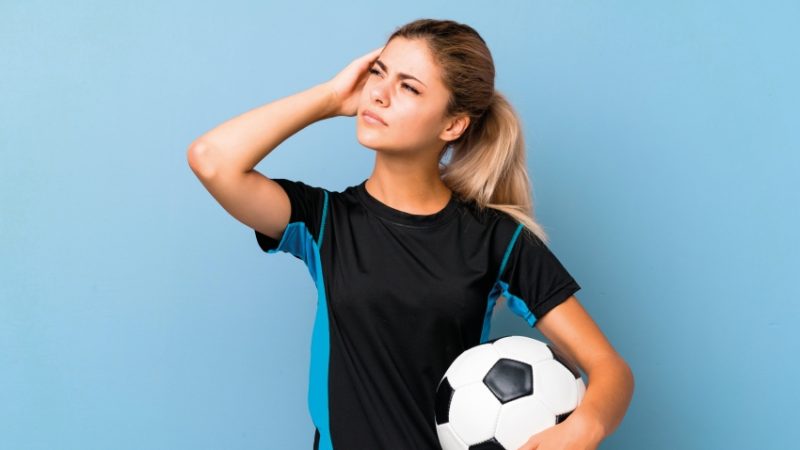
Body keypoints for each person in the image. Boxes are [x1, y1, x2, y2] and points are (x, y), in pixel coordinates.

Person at [187, 18, 633, 450]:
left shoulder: (496, 238)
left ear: (452, 125)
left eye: (409, 86)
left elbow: (610, 369)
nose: (379, 93)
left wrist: (586, 426)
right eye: (378, 73)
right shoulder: (323, 221)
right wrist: (329, 97)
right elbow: (212, 159)